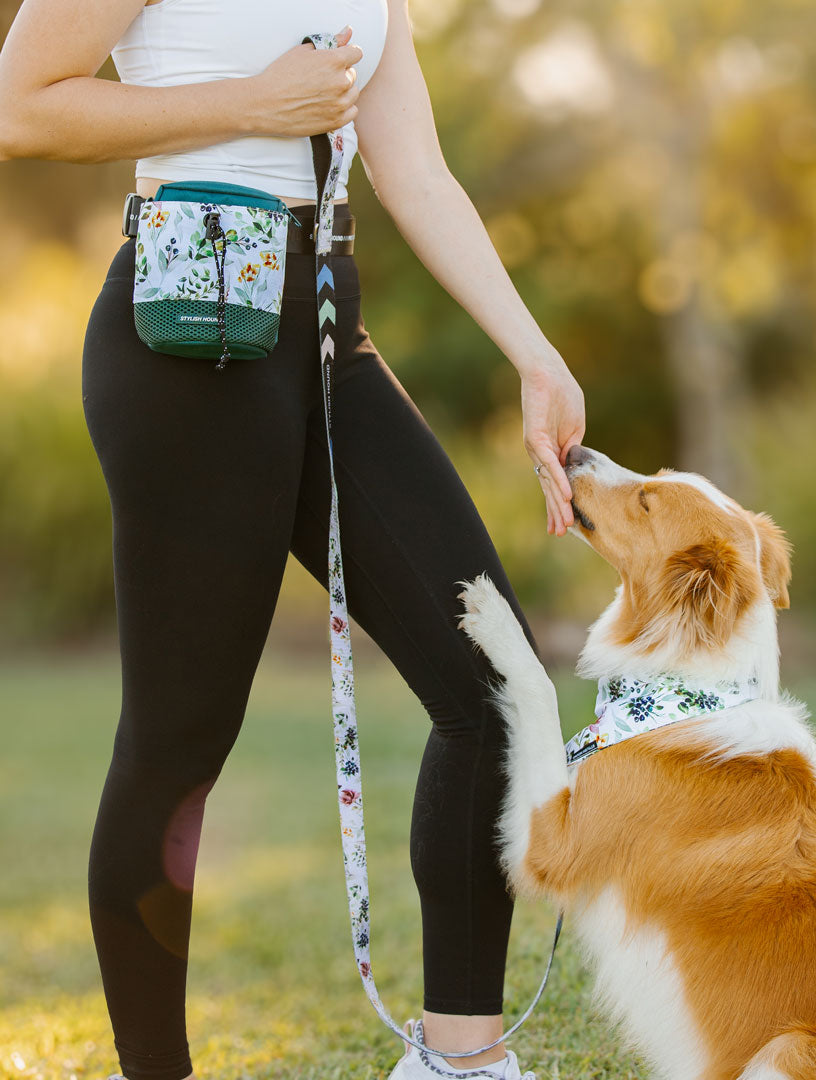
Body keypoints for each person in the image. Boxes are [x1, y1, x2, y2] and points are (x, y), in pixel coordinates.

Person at [0, 1, 586, 1078]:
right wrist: (253, 104)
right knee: (177, 747)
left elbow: (417, 174)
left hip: (323, 323)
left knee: (499, 682)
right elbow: (18, 105)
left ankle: (461, 1062)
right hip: (191, 316)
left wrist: (534, 356)